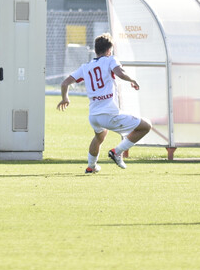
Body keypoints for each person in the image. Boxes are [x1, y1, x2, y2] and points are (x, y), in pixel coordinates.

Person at [57, 33, 151, 173]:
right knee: (146, 126)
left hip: (94, 116)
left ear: (95, 50)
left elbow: (65, 84)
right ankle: (117, 152)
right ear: (109, 50)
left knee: (100, 136)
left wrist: (65, 98)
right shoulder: (110, 59)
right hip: (109, 114)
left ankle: (91, 166)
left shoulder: (85, 67)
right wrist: (132, 80)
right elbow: (119, 73)